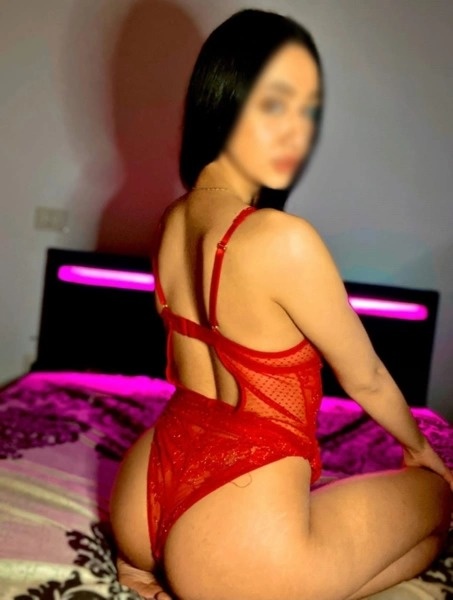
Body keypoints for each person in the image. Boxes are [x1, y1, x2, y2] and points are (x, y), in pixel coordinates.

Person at [109, 8, 453, 600]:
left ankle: (147, 570)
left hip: (143, 501)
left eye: (307, 112)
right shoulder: (281, 239)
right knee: (439, 507)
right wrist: (422, 450)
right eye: (274, 104)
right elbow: (367, 378)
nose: (296, 132)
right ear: (225, 97)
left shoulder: (169, 222)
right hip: (235, 539)